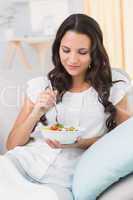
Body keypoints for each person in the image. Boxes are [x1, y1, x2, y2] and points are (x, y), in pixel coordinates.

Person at [0, 13, 132, 199]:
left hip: (59, 182)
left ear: (95, 53)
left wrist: (81, 143)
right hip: (19, 165)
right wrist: (36, 112)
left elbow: (125, 138)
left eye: (82, 52)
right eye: (66, 50)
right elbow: (12, 144)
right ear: (58, 49)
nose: (72, 59)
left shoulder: (114, 89)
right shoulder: (41, 86)